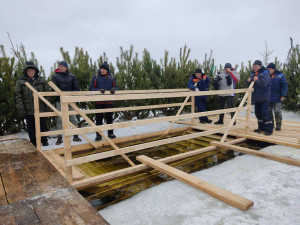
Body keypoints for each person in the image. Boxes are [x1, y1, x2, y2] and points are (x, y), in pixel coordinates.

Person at [15, 61, 49, 146]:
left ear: (35, 71)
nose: (31, 72)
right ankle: (34, 143)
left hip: (40, 108)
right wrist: (21, 108)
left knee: (43, 126)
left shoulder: (41, 80)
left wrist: (47, 107)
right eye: (29, 70)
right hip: (28, 109)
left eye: (32, 70)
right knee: (31, 128)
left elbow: (47, 95)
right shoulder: (20, 81)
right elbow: (17, 96)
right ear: (26, 71)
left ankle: (44, 140)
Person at [52, 61, 82, 145]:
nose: (60, 67)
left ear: (66, 67)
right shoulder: (55, 76)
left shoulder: (72, 76)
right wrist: (62, 94)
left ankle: (76, 135)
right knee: (59, 119)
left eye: (62, 66)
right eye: (59, 66)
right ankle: (59, 138)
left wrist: (69, 94)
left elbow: (77, 88)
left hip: (70, 100)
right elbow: (53, 88)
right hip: (60, 100)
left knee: (73, 118)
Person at [89, 62, 118, 141]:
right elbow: (91, 88)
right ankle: (99, 135)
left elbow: (116, 86)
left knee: (109, 119)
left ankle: (110, 133)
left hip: (108, 101)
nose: (102, 70)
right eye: (101, 68)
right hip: (99, 102)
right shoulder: (96, 77)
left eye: (104, 69)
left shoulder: (111, 78)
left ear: (107, 70)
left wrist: (113, 89)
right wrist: (99, 90)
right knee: (99, 119)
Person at [247, 60, 273, 135]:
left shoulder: (265, 73)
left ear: (260, 66)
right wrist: (248, 81)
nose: (254, 67)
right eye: (254, 66)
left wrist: (257, 80)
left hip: (264, 97)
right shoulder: (253, 73)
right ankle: (261, 127)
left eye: (256, 66)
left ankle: (269, 129)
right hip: (256, 97)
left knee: (265, 113)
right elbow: (249, 85)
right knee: (258, 114)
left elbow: (264, 84)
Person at [267, 63, 288, 131]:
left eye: (270, 69)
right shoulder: (266, 75)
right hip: (268, 97)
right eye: (268, 69)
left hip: (277, 97)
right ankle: (271, 124)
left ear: (273, 69)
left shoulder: (280, 75)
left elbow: (284, 86)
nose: (269, 70)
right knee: (269, 111)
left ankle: (278, 124)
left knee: (277, 111)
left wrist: (283, 95)